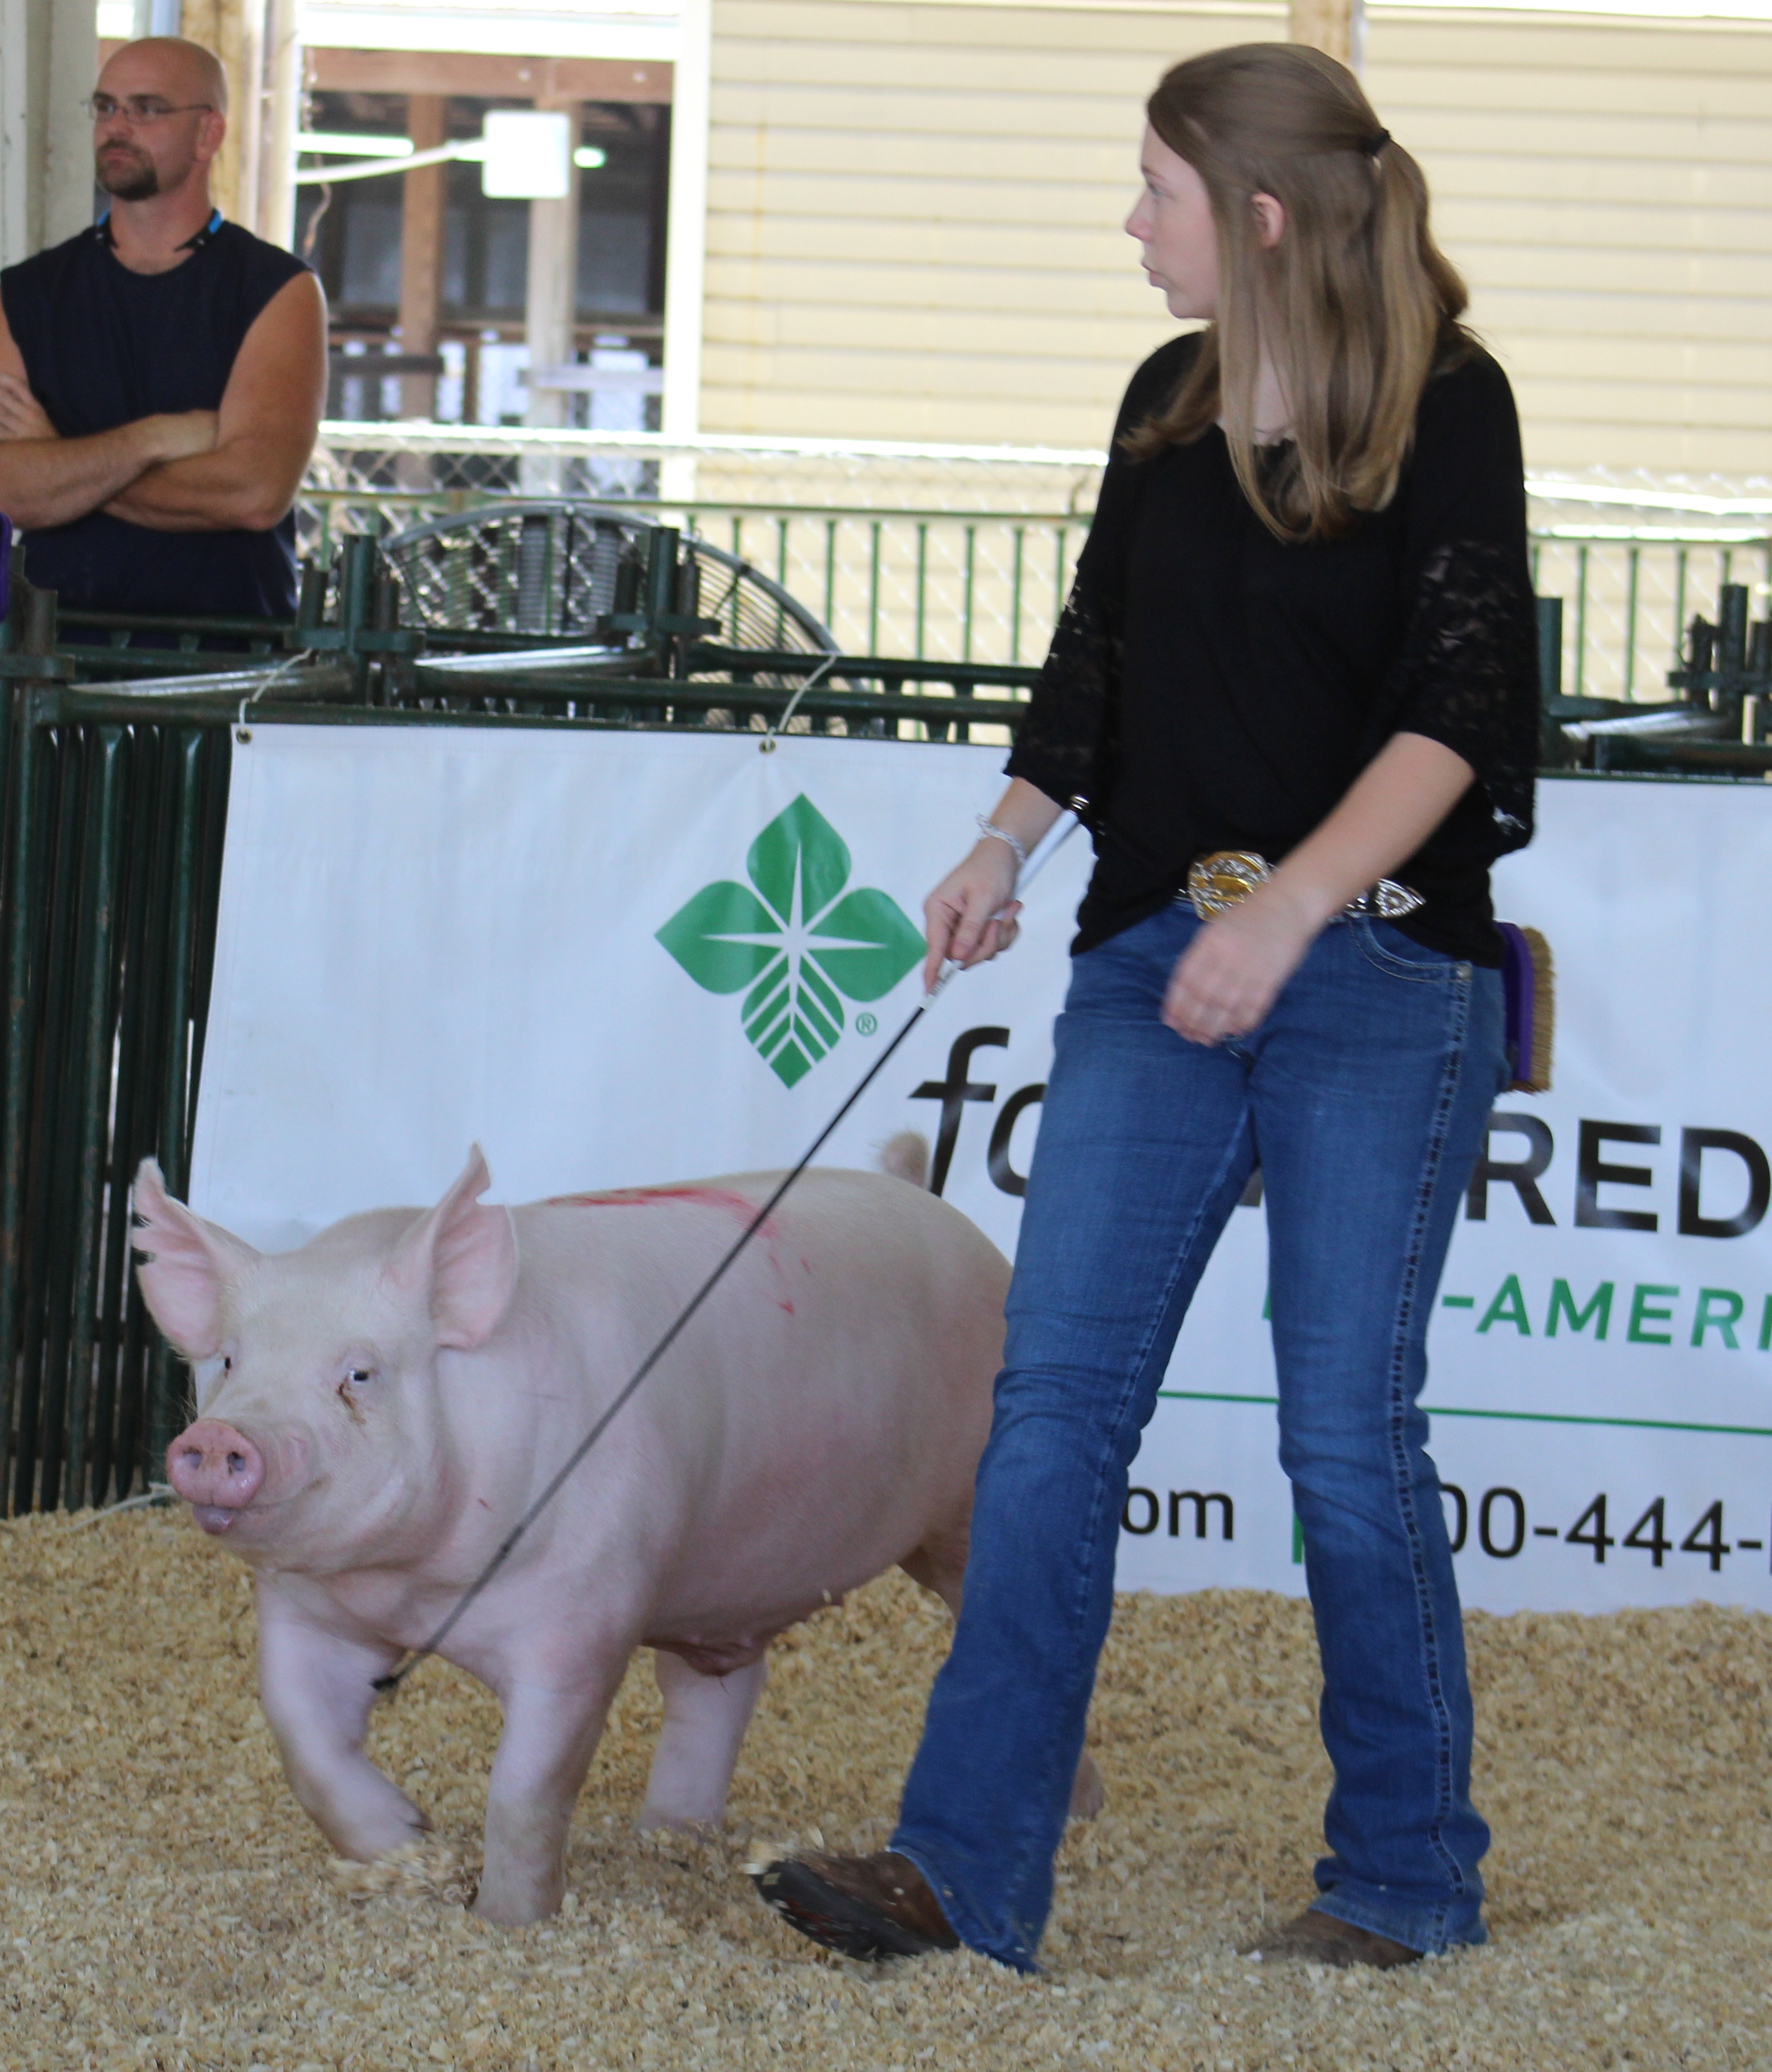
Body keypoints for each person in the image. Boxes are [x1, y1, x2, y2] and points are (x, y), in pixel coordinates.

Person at [752, 43, 1539, 1974]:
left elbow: (1463, 716)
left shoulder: (1453, 404)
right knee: (1051, 1421)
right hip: (1137, 960)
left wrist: (1288, 914)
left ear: (1259, 216)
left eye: (1156, 192)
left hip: (1372, 975)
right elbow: (1092, 654)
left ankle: (1405, 1881)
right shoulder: (1164, 402)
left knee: (1347, 1438)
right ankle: (967, 1873)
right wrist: (1006, 839)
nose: (1131, 224)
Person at [0, 36, 326, 621]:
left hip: (227, 663)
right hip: (57, 658)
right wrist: (155, 438)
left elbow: (252, 494)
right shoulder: (23, 295)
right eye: (105, 107)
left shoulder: (279, 290)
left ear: (209, 134)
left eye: (146, 108)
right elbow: (13, 492)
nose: (117, 127)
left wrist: (63, 463)